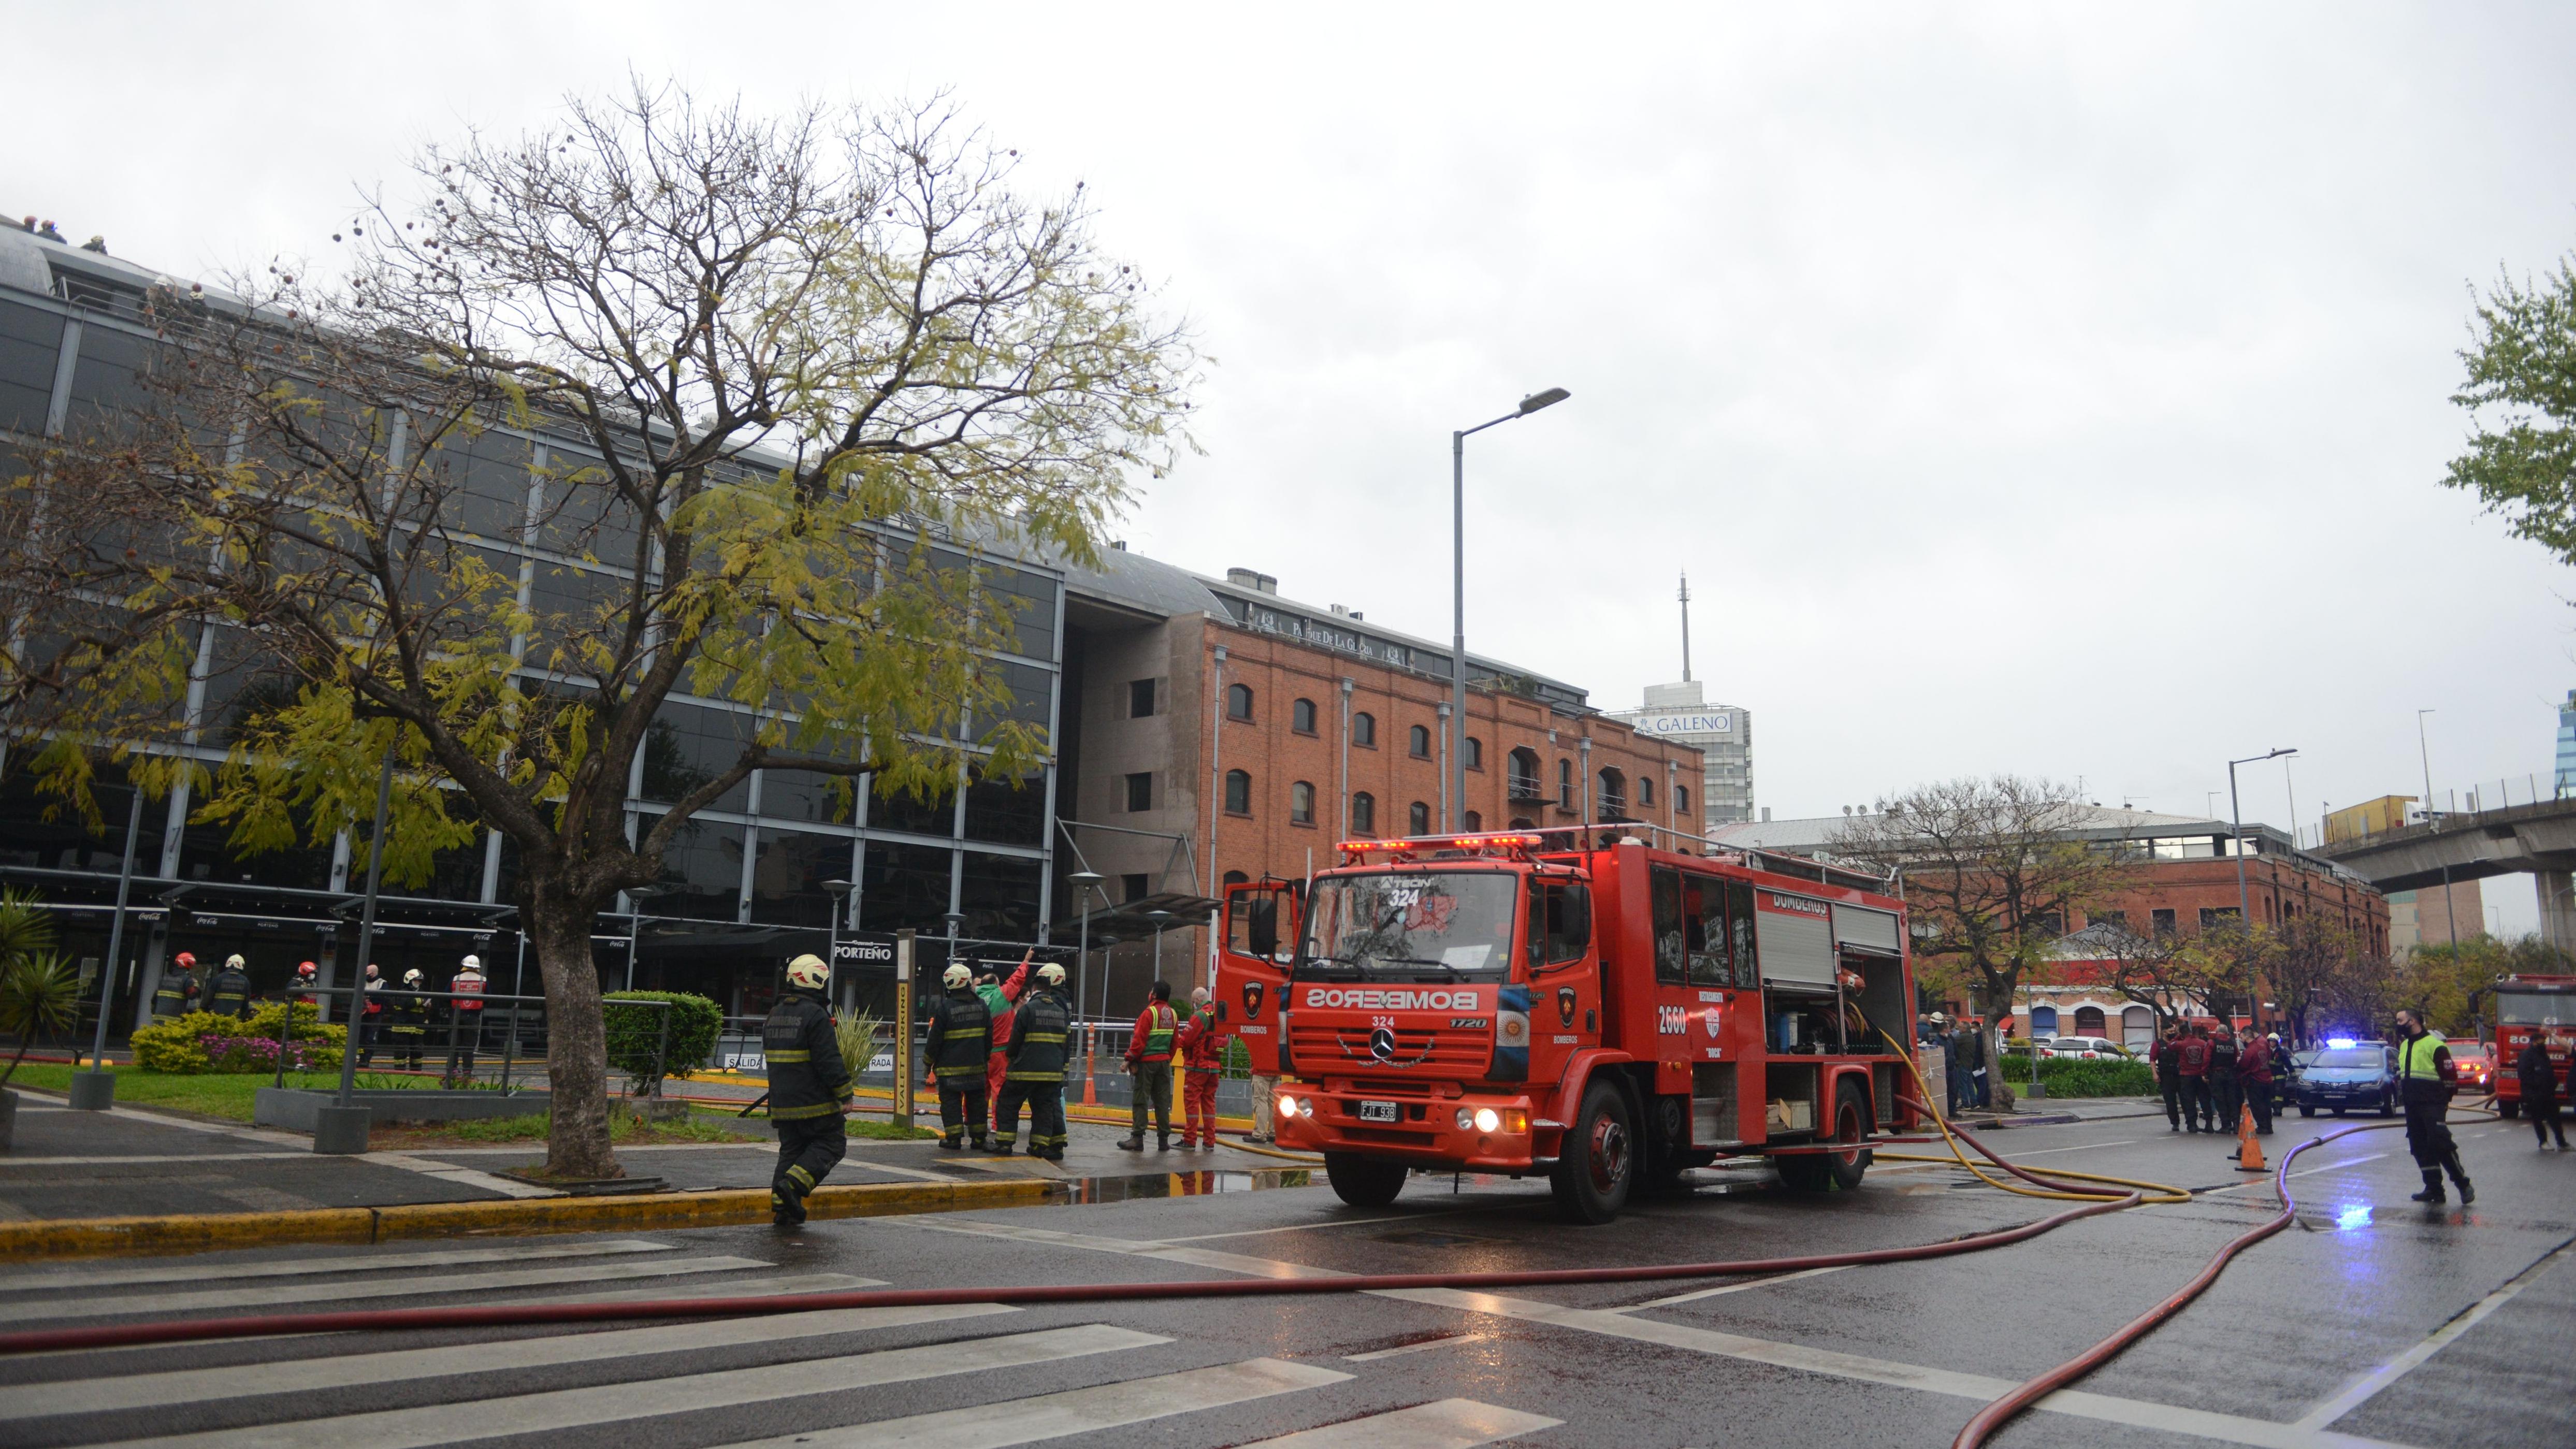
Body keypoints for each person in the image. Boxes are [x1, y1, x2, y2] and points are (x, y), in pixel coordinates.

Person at [761, 953, 852, 1227]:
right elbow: (829, 1060)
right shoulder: (815, 1015)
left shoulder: (775, 1014)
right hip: (815, 1103)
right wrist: (845, 1093)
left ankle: (782, 1208)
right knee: (832, 1144)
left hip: (782, 1102)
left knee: (791, 1151)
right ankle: (793, 1186)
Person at [2394, 1009, 2473, 1205]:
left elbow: (2449, 1077)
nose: (2397, 1024)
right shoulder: (2404, 1045)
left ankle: (2463, 1183)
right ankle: (2434, 1189)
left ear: (2412, 1021)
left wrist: (2443, 1103)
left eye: (2400, 1020)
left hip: (2432, 1104)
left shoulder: (2435, 1046)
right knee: (2419, 1146)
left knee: (2441, 1143)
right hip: (2413, 1105)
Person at [996, 962, 1074, 1162]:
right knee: (1045, 1107)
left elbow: (1015, 1040)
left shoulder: (1029, 1009)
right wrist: (1062, 1068)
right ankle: (1041, 1145)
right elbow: (1067, 1041)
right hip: (1053, 1070)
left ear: (1035, 989)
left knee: (1008, 1102)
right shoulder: (1061, 1006)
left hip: (1026, 1069)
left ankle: (1005, 1143)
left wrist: (1012, 1059)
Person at [924, 963, 993, 1150]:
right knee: (978, 1104)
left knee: (951, 1103)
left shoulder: (946, 1008)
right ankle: (979, 1139)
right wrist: (985, 1058)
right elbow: (989, 1037)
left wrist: (927, 1062)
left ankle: (953, 1139)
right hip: (977, 1068)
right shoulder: (982, 1006)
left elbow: (935, 1040)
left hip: (950, 1070)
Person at [1119, 980, 1181, 1151]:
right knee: (1162, 1102)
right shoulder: (1174, 1014)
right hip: (1164, 1063)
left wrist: (1128, 1059)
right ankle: (1163, 1141)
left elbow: (1139, 1041)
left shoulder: (1149, 1013)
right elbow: (1175, 1043)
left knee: (1141, 1099)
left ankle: (1137, 1138)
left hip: (1147, 1064)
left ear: (1154, 994)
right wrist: (1167, 1058)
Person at [978, 955, 1031, 1135]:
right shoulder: (1000, 994)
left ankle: (972, 1121)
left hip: (978, 1053)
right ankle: (997, 1125)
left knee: (978, 1089)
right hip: (1000, 1052)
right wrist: (1026, 961)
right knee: (998, 1089)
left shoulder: (973, 998)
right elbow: (1017, 980)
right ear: (995, 984)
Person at [1176, 986, 1226, 1151]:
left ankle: (1190, 1140)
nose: (1193, 1005)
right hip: (1214, 1067)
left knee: (1192, 1105)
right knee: (1209, 1105)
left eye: (1193, 1002)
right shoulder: (1219, 1015)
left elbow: (1187, 1040)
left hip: (1198, 1067)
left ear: (1198, 1000)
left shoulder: (1199, 1016)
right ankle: (1209, 1141)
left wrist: (1175, 1040)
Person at [442, 953, 488, 1086]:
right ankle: (467, 1072)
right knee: (469, 1046)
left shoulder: (455, 979)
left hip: (456, 1014)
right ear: (477, 968)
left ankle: (452, 1070)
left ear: (463, 966)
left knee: (454, 1044)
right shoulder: (483, 980)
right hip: (473, 1017)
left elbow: (445, 996)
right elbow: (489, 998)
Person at [2515, 1035, 2567, 1150]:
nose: (2544, 1044)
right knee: (2538, 1119)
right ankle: (2543, 1142)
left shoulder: (2543, 1054)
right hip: (2534, 1093)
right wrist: (2537, 1086)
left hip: (2548, 1093)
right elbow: (2524, 1075)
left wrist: (2553, 1083)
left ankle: (2562, 1143)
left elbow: (2548, 1071)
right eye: (2541, 1042)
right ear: (2534, 1042)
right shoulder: (2526, 1055)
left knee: (2555, 1118)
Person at [386, 969, 431, 1069]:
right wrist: (421, 1000)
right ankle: (399, 1071)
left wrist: (426, 1005)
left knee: (418, 1052)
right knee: (401, 1052)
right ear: (409, 980)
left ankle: (416, 1072)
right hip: (403, 1028)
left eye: (420, 981)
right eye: (416, 980)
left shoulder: (423, 993)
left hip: (418, 1028)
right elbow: (407, 1004)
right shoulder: (402, 993)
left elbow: (425, 1005)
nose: (418, 983)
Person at [2234, 1026, 2274, 1135]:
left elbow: (2243, 1065)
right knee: (2267, 1104)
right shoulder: (2262, 1047)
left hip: (2256, 1080)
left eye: (2241, 1037)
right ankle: (2269, 1126)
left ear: (2247, 1037)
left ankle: (2262, 1126)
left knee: (2257, 1105)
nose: (2241, 1040)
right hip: (2267, 1079)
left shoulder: (2250, 1051)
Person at [2175, 1025, 2212, 1132]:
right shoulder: (2202, 1043)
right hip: (2200, 1075)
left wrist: (2177, 1037)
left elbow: (2170, 1046)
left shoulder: (2181, 1044)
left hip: (2187, 1076)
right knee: (2205, 1100)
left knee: (2189, 1101)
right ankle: (2209, 1124)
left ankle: (2192, 1125)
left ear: (2181, 1033)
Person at [2150, 1025, 2186, 1132]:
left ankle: (2191, 1122)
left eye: (2174, 1031)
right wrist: (2154, 1074)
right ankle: (2175, 1123)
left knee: (2185, 1098)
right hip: (2166, 1075)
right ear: (2164, 1032)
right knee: (2170, 1100)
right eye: (2171, 1031)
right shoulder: (2158, 1044)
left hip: (2179, 1074)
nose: (2173, 1033)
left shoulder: (2178, 1043)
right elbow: (2152, 1059)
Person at [2208, 1027, 2242, 1136]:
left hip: (2217, 1074)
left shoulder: (2212, 1043)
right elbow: (2236, 1058)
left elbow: (2207, 1059)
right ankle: (2237, 1125)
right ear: (2227, 1033)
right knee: (2232, 1100)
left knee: (2220, 1100)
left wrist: (2204, 1073)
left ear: (2217, 1032)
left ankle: (2226, 1125)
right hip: (2230, 1074)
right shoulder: (2232, 1043)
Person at [151, 952, 201, 1022]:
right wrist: (196, 985)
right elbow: (192, 996)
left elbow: (154, 999)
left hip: (158, 1019)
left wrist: (155, 1013)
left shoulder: (164, 978)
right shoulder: (187, 980)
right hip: (175, 1022)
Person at [205, 954, 254, 1020]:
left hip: (217, 1018)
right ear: (241, 965)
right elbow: (246, 1003)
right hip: (235, 1018)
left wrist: (204, 1011)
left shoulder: (218, 978)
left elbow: (208, 998)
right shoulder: (245, 981)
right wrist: (242, 1017)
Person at [356, 964, 385, 1067]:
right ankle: (361, 1060)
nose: (366, 976)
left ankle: (366, 1061)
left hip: (375, 1016)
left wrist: (369, 999)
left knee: (370, 1039)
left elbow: (382, 998)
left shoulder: (382, 983)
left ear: (373, 974)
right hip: (363, 1015)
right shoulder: (363, 982)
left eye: (368, 974)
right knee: (361, 1038)